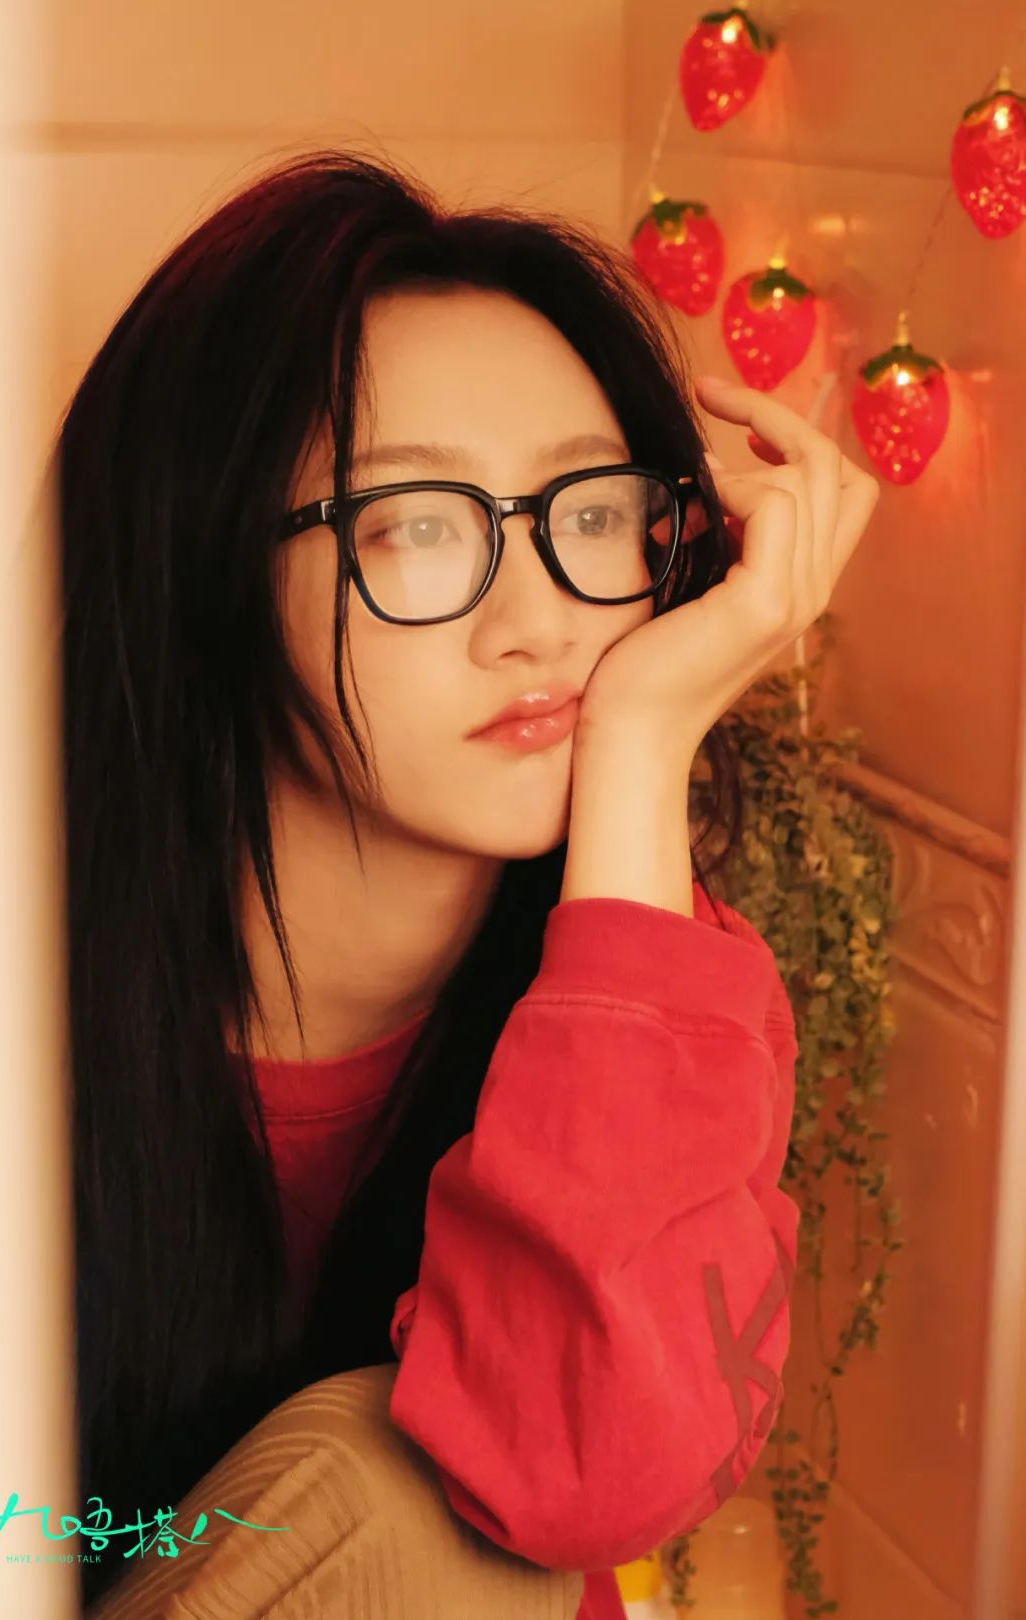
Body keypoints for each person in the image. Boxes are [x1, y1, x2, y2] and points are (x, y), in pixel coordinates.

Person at [56, 147, 879, 1617]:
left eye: (592, 512)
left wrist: (642, 746)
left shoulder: (657, 985)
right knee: (413, 1507)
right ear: (208, 564)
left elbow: (590, 1479)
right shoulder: (13, 1002)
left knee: (464, 1519)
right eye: (416, 526)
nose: (540, 621)